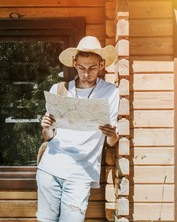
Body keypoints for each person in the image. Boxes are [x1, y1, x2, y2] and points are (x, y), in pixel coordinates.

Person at [36, 36, 119, 222]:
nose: (86, 73)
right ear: (74, 63)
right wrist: (46, 126)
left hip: (82, 172)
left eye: (92, 68)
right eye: (81, 67)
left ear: (102, 65)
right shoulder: (60, 89)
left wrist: (113, 134)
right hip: (50, 169)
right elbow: (47, 137)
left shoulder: (110, 92)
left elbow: (111, 141)